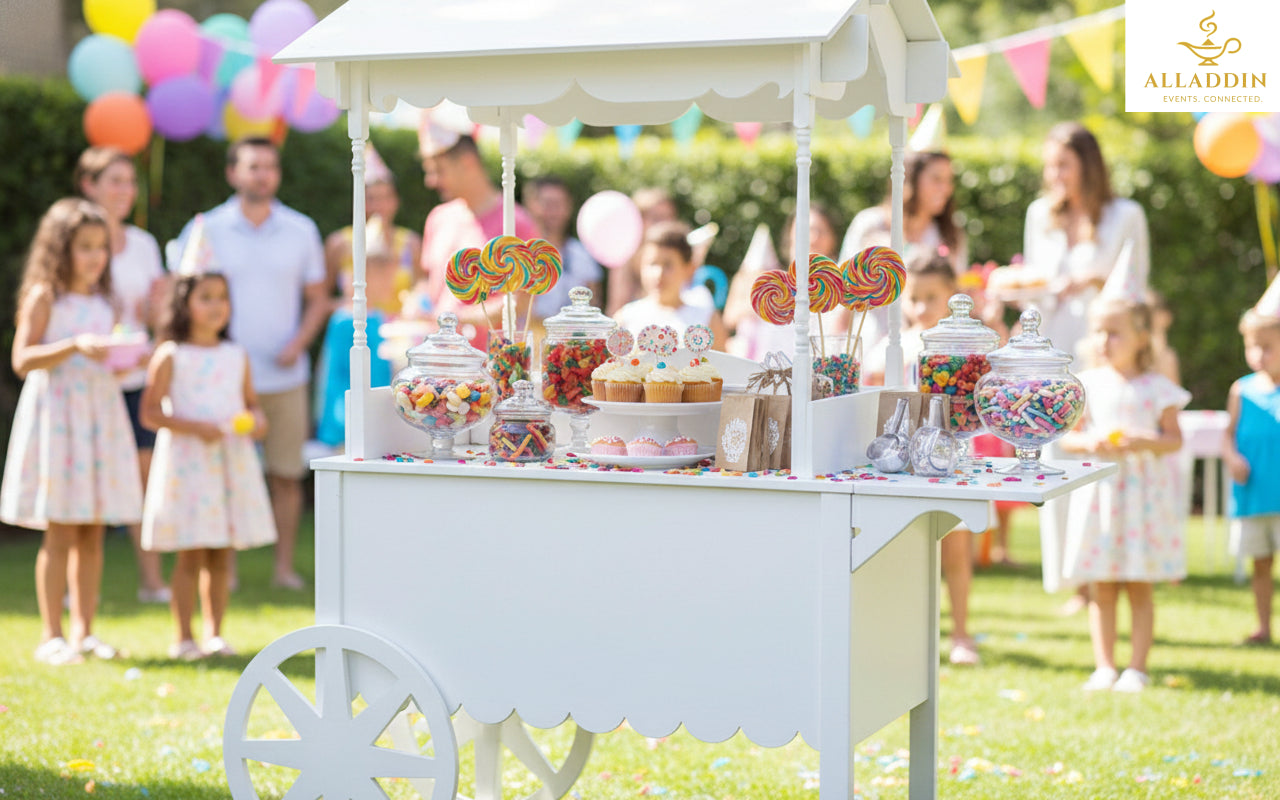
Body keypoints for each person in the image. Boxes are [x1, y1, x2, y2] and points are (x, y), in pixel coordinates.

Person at [178, 137, 329, 591]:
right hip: (220, 380)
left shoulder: (301, 229)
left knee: (286, 476)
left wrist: (299, 342)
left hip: (285, 376)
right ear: (232, 173)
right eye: (252, 166)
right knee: (223, 475)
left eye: (269, 167)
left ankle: (283, 569)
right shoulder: (206, 227)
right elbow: (178, 294)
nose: (261, 174)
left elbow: (318, 299)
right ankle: (227, 573)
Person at [0, 198, 144, 664]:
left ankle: (85, 633)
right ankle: (51, 635)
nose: (95, 256)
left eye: (101, 247)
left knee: (93, 529)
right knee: (60, 527)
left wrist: (126, 359)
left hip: (99, 417)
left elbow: (108, 364)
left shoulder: (108, 300)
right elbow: (22, 359)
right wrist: (73, 346)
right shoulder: (45, 295)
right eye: (84, 247)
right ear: (60, 248)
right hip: (59, 421)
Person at [1026, 123, 1151, 603]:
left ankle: (1107, 570)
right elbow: (1035, 284)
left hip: (1104, 353)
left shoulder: (1126, 215)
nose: (1054, 174)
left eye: (1064, 164)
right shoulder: (1041, 215)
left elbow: (1135, 290)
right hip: (1053, 351)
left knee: (1100, 458)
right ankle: (1071, 576)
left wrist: (1096, 282)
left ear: (1088, 165)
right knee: (1057, 455)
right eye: (1050, 164)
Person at [140, 270, 276, 660]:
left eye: (222, 297)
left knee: (220, 550)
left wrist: (257, 420)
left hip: (226, 461)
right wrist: (196, 428)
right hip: (188, 465)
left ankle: (215, 634)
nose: (217, 306)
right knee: (191, 551)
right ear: (184, 304)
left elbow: (252, 404)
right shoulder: (170, 354)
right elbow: (150, 413)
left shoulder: (236, 355)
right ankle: (184, 637)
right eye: (206, 297)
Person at [1060, 296, 1189, 691]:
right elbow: (1068, 439)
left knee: (1139, 583)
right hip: (1102, 496)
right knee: (1102, 583)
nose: (1104, 339)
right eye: (1099, 331)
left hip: (1141, 501)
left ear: (1141, 337)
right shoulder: (1087, 384)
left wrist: (1144, 439)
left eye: (1114, 332)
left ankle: (1137, 666)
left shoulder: (1157, 388)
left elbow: (1174, 440)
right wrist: (1092, 443)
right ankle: (1104, 665)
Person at [74, 146, 170, 605]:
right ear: (88, 185)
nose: (125, 191)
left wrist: (162, 306)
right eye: (114, 180)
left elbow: (153, 313)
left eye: (130, 182)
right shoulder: (72, 245)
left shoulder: (145, 245)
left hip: (135, 378)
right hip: (87, 384)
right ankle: (76, 588)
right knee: (86, 479)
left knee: (144, 475)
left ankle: (152, 581)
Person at [418, 131, 538, 345]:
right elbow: (429, 288)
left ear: (467, 162)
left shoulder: (515, 223)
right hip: (439, 359)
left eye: (439, 171)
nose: (430, 181)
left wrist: (455, 319)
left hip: (487, 365)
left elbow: (520, 303)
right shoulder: (438, 218)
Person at [1224, 296, 1280, 646]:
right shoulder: (1241, 389)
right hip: (1255, 493)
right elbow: (1228, 435)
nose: (1258, 353)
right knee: (1261, 564)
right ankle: (1263, 626)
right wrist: (1231, 458)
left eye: (1268, 346)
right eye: (1252, 346)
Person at [316, 219, 396, 450]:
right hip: (348, 422)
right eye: (383, 270)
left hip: (376, 417)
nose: (391, 277)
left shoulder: (380, 315)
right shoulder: (344, 320)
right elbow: (335, 375)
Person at [726, 205, 844, 360]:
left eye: (820, 231)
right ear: (791, 235)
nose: (813, 237)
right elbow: (730, 319)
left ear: (833, 239)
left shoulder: (839, 291)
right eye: (805, 229)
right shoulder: (770, 285)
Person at [323, 142, 422, 315]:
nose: (380, 205)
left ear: (396, 201)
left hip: (398, 335)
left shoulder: (411, 243)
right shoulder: (339, 243)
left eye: (386, 197)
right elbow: (321, 300)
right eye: (371, 198)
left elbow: (421, 293)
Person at [613, 221, 727, 347]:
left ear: (689, 268)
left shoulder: (707, 319)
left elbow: (724, 365)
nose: (659, 274)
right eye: (652, 264)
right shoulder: (625, 318)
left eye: (668, 265)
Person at [523, 175, 602, 321]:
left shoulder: (583, 254)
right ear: (531, 205)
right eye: (547, 204)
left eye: (559, 204)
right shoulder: (519, 256)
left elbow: (594, 306)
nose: (554, 211)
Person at [606, 187, 678, 315]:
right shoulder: (625, 257)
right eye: (656, 218)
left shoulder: (679, 255)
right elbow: (617, 308)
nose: (664, 224)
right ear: (639, 220)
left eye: (669, 217)